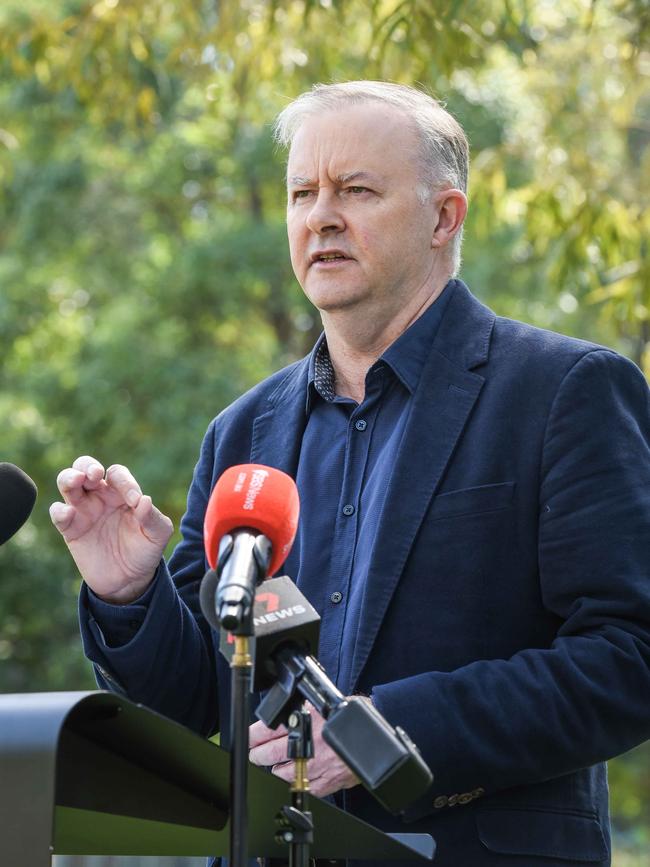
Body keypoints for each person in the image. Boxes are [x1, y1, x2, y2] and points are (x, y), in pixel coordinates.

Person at [50, 81, 650, 867]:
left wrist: (393, 730)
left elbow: (628, 656)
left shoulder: (562, 391)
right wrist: (130, 594)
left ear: (445, 217)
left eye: (356, 190)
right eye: (303, 192)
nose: (320, 215)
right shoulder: (242, 432)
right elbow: (199, 695)